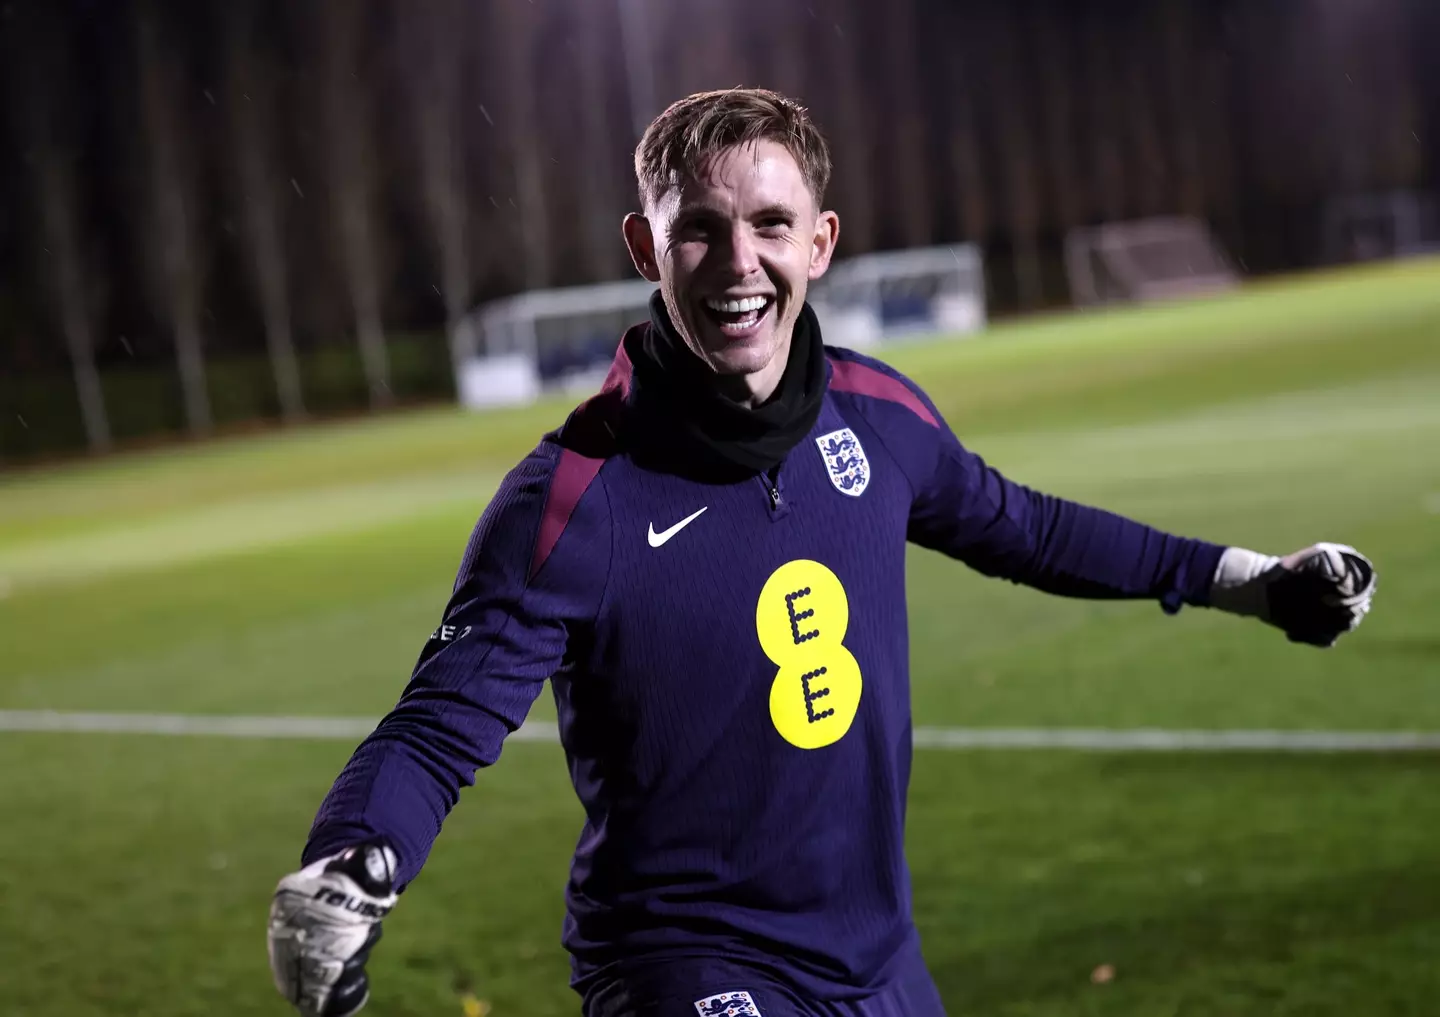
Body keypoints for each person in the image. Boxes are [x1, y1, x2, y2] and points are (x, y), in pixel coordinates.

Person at [266, 88, 1377, 1017]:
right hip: (683, 965)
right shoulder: (571, 500)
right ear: (645, 247)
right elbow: (442, 718)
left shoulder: (879, 417)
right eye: (697, 226)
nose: (735, 261)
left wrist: (1252, 582)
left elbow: (1031, 530)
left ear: (820, 242)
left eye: (768, 223)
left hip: (880, 964)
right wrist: (350, 862)